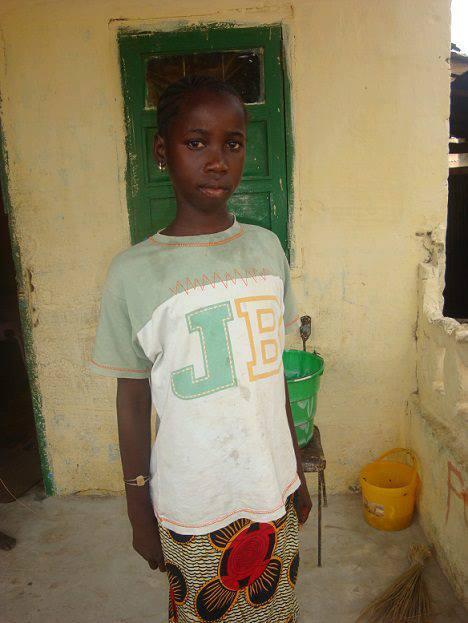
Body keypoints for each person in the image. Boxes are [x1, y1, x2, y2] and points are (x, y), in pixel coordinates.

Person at [90, 75, 312, 623]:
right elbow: (132, 400)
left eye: (232, 143)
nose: (217, 161)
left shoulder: (267, 249)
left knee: (273, 607)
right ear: (162, 152)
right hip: (194, 500)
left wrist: (297, 469)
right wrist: (137, 505)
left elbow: (273, 374)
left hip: (273, 485)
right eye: (196, 142)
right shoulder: (133, 272)